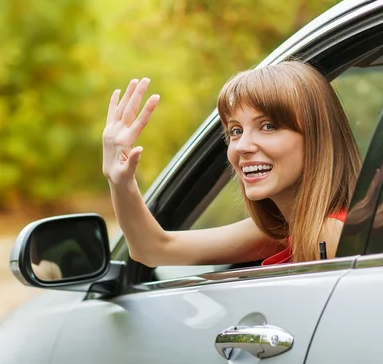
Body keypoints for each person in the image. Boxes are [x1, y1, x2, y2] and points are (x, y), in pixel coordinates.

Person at [102, 61, 363, 267]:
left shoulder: (329, 234)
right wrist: (121, 181)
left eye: (268, 126)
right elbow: (154, 249)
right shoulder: (286, 229)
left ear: (318, 137)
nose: (242, 146)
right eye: (235, 131)